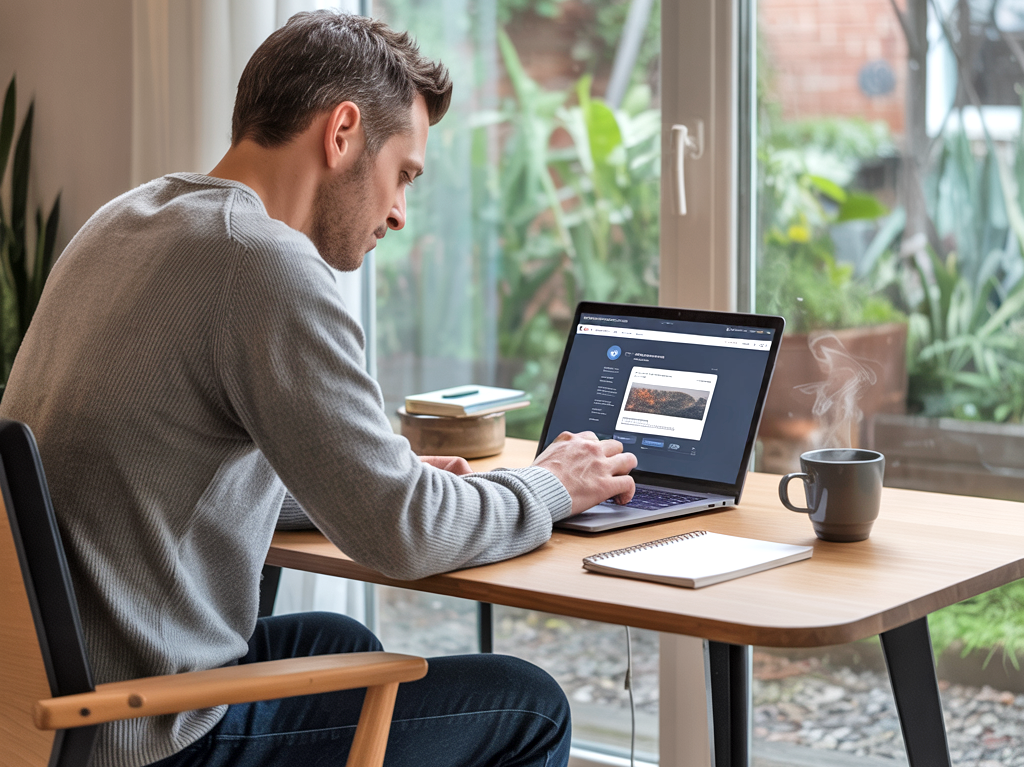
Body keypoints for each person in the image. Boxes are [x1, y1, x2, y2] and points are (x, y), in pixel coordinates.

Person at [0, 10, 637, 767]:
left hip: (48, 701)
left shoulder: (128, 219)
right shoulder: (261, 262)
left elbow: (153, 459)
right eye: (402, 173)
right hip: (141, 733)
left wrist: (374, 478)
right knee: (527, 704)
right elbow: (403, 533)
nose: (400, 211)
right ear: (341, 133)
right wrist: (552, 485)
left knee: (340, 643)